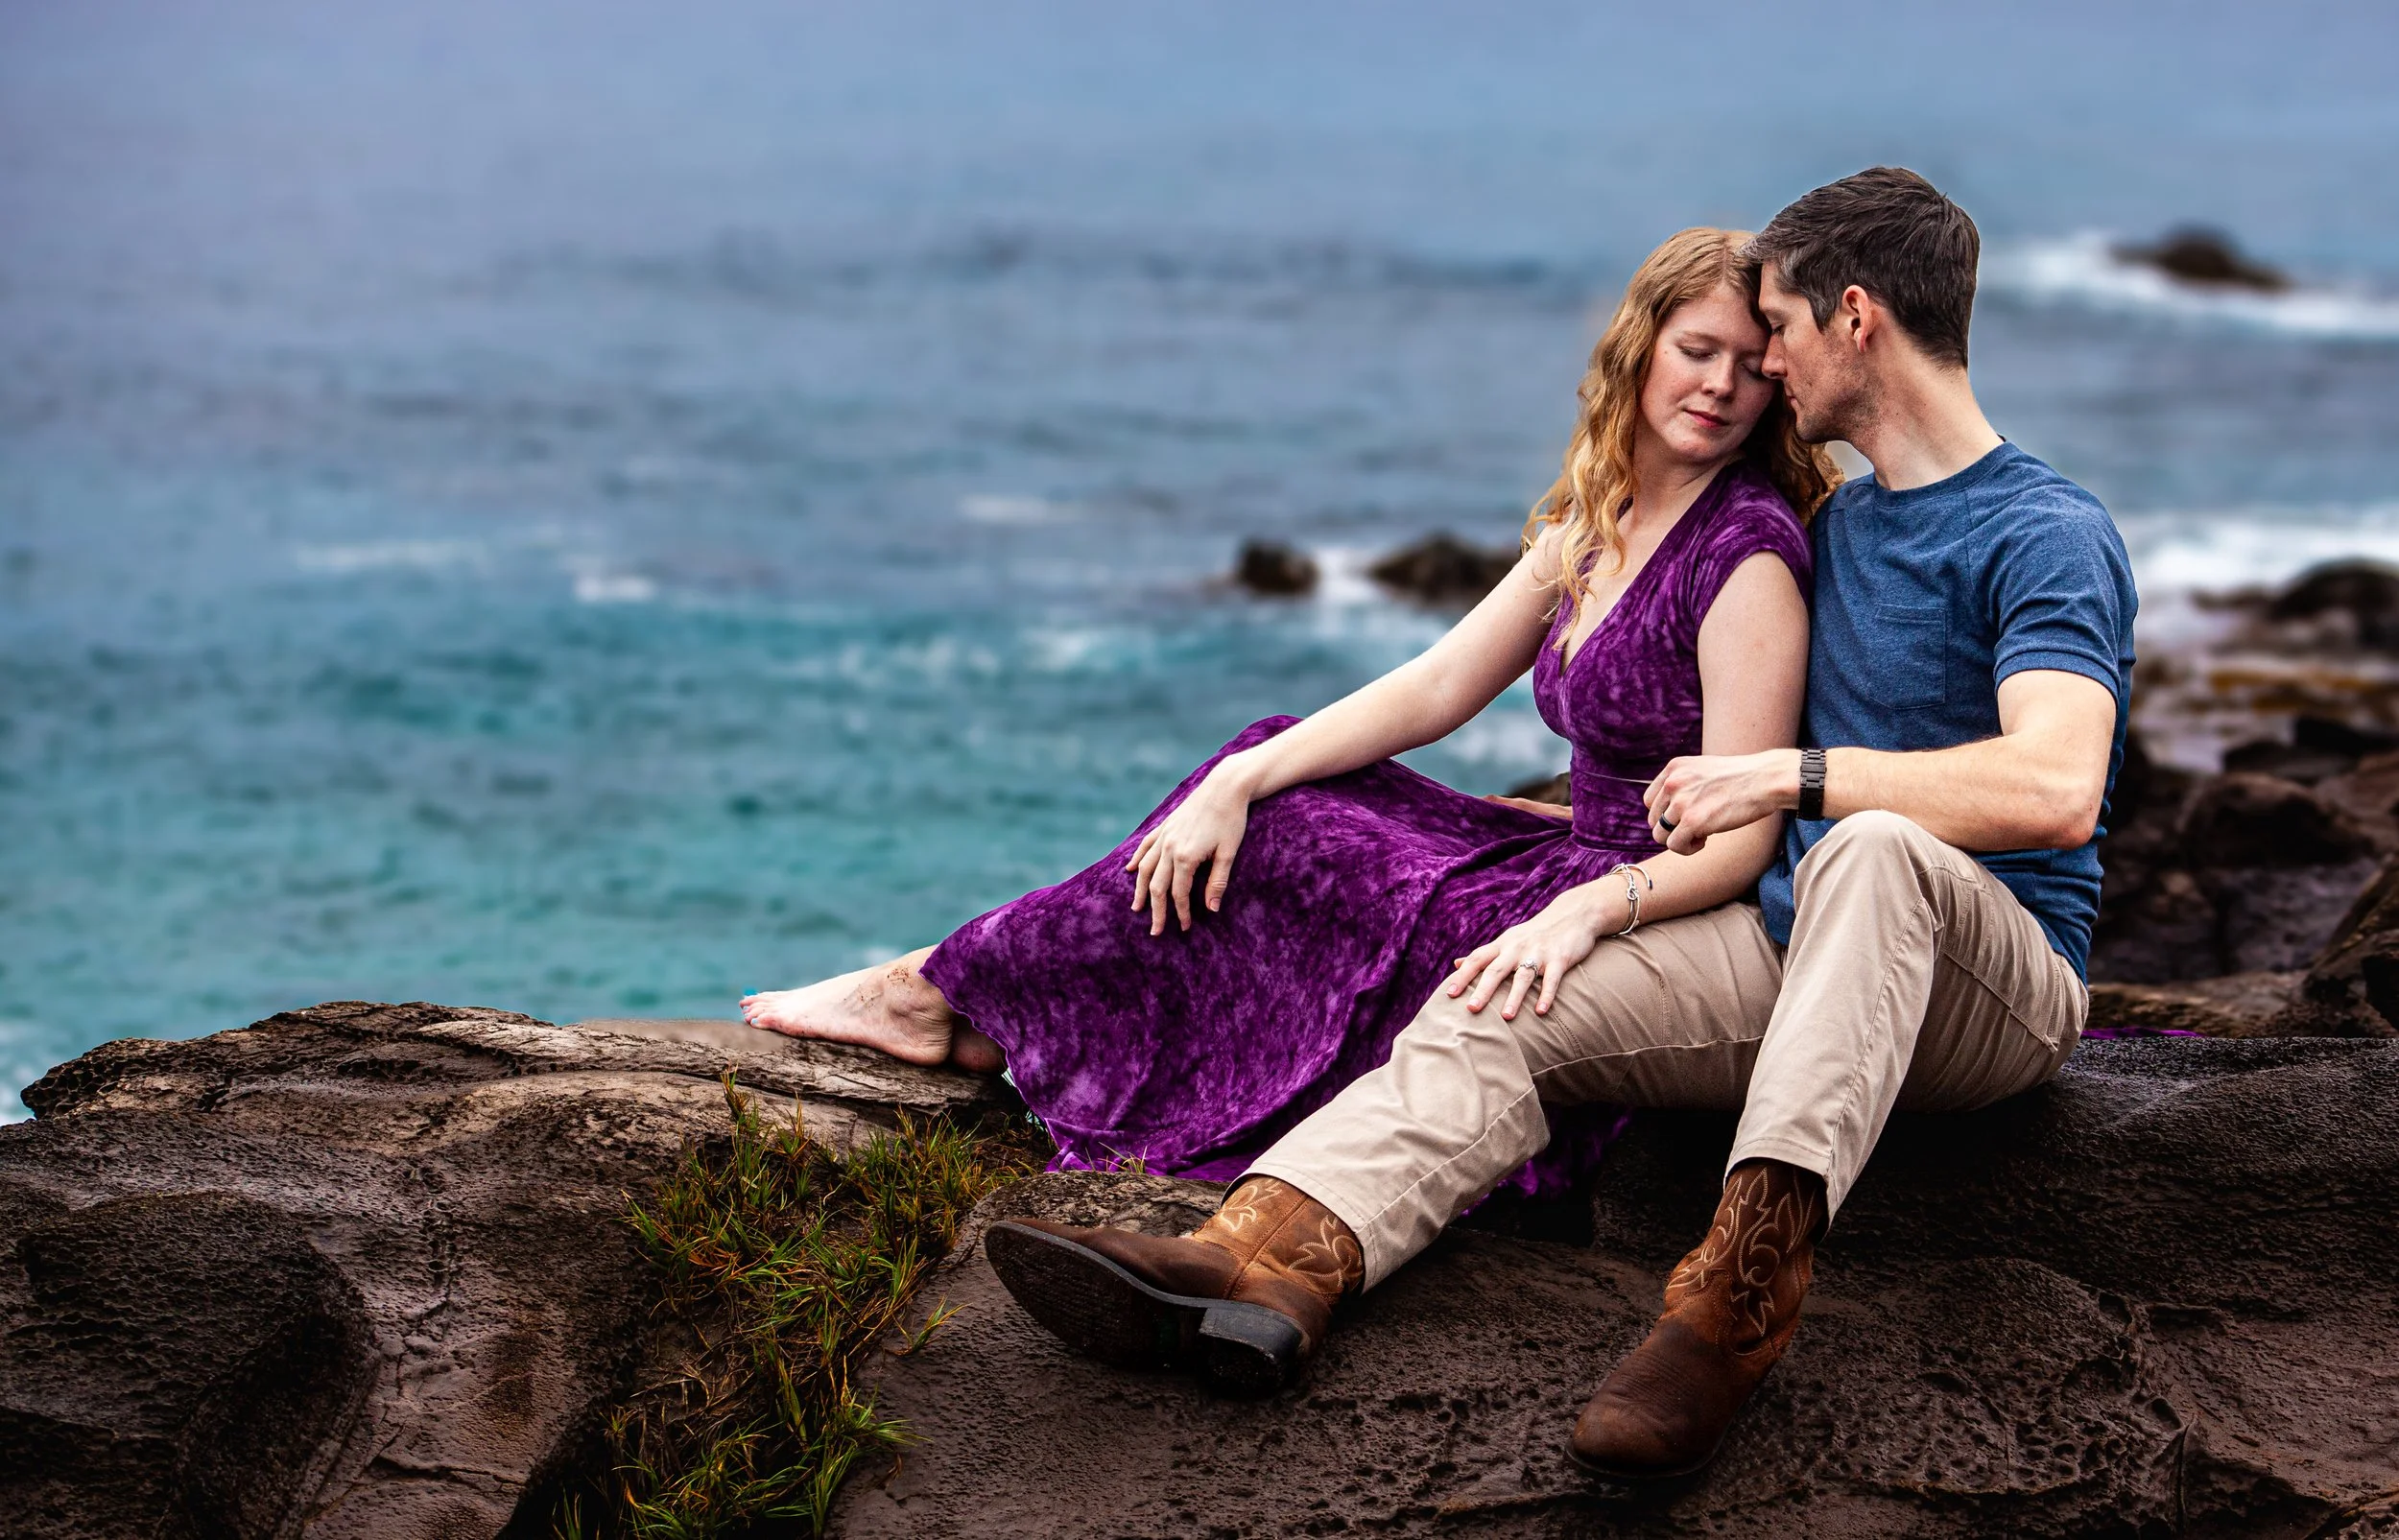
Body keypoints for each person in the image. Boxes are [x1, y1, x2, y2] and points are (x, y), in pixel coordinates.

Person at [985, 167, 2137, 1481]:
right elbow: (1515, 672)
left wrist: (1789, 777)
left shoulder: (2045, 532)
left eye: (1780, 331)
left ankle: (1728, 1309)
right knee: (1513, 988)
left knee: (1875, 851)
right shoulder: (1842, 524)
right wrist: (1586, 899)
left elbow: (2057, 786)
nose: (1766, 364)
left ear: (1855, 319)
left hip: (1991, 979)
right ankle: (1269, 1257)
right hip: (1795, 948)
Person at [742, 225, 1835, 1208]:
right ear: (1641, 344)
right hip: (1565, 856)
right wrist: (1236, 780)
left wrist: (1591, 910)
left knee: (1307, 859)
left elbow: (1739, 839)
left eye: (1752, 366)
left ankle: (943, 988)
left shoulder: (1743, 560)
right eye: (1699, 350)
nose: (1721, 387)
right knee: (1270, 769)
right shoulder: (1604, 516)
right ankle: (968, 989)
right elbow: (1435, 689)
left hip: (1635, 908)